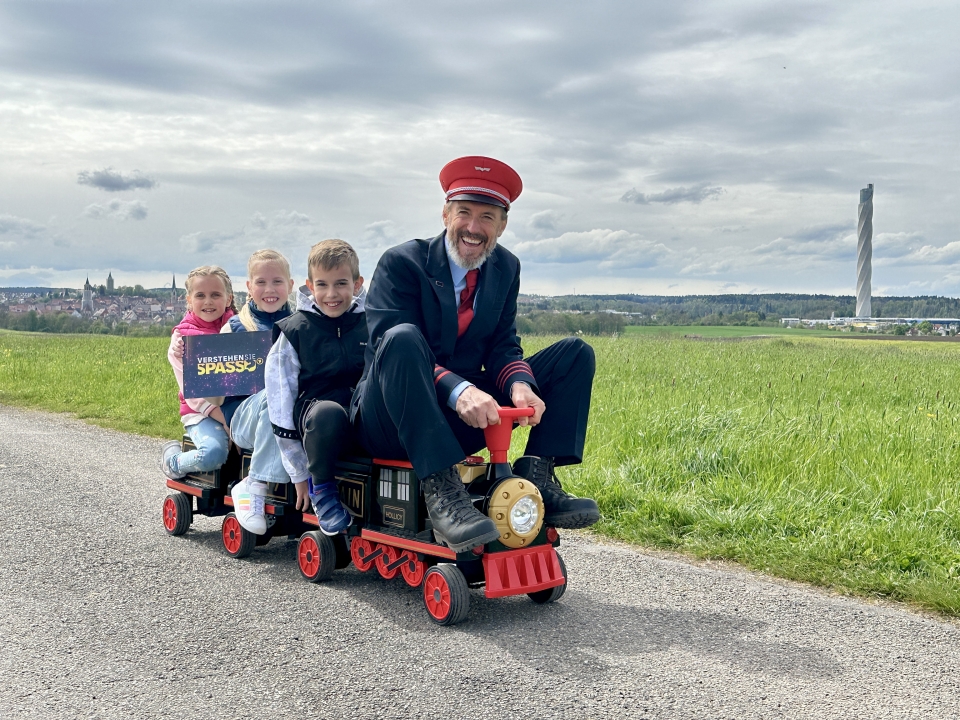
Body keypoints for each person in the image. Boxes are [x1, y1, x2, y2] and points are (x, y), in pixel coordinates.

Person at [353, 155, 599, 554]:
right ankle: (442, 490)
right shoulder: (402, 263)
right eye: (463, 212)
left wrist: (520, 385)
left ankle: (539, 473)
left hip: (459, 416)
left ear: (502, 225)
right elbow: (387, 346)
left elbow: (502, 343)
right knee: (401, 337)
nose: (473, 227)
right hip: (389, 416)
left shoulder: (505, 267)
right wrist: (459, 390)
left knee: (575, 354)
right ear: (445, 214)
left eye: (487, 217)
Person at [259, 239, 368, 535]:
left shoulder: (371, 323)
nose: (331, 294)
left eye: (341, 284)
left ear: (357, 284)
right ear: (309, 285)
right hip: (317, 419)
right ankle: (323, 490)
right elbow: (280, 403)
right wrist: (298, 472)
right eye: (323, 285)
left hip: (361, 413)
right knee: (328, 413)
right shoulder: (294, 331)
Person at [222, 249, 296, 535]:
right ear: (249, 286)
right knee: (274, 396)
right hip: (245, 419)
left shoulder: (301, 324)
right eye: (261, 282)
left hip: (288, 415)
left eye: (277, 281)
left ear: (290, 286)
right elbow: (216, 392)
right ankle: (253, 484)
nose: (269, 289)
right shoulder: (235, 329)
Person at [159, 265, 237, 479]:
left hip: (237, 409)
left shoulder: (240, 329)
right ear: (189, 300)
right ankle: (173, 461)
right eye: (200, 295)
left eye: (215, 295)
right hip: (201, 413)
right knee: (213, 453)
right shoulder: (182, 341)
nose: (208, 301)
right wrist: (226, 420)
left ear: (228, 298)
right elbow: (195, 396)